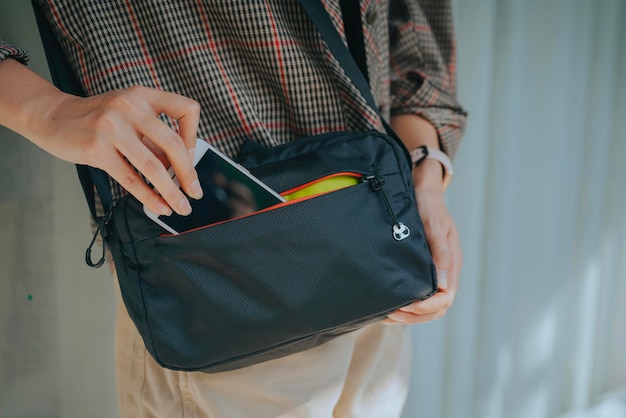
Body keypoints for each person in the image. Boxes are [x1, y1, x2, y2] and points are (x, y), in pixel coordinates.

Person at [0, 1, 466, 417]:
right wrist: (48, 113)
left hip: (379, 273)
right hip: (220, 288)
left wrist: (426, 175)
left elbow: (414, 36)